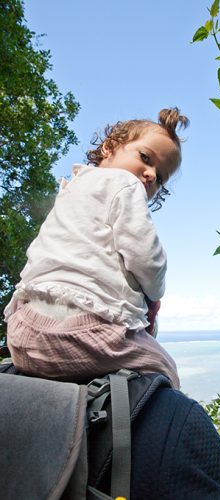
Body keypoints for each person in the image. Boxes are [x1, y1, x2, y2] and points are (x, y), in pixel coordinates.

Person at [4, 107, 189, 389]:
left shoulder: (71, 190)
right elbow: (148, 260)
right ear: (109, 147)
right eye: (145, 158)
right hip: (82, 335)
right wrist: (155, 294)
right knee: (163, 366)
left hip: (22, 333)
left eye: (160, 177)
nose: (150, 174)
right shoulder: (125, 184)